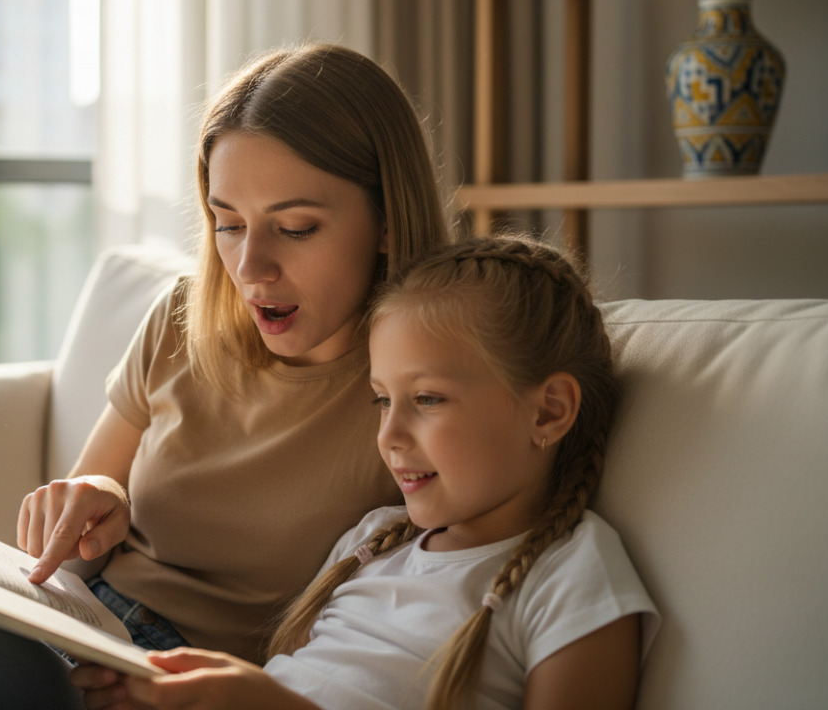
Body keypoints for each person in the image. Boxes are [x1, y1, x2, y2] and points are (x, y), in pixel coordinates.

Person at [0, 43, 451, 709]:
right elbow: (87, 510)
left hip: (179, 687)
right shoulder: (181, 321)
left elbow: (429, 621)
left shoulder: (428, 392)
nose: (250, 268)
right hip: (81, 629)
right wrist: (97, 497)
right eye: (227, 223)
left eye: (295, 228)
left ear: (388, 219)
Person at [71, 236, 660, 710]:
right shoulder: (372, 542)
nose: (389, 435)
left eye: (427, 399)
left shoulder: (573, 578)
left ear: (549, 411)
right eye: (382, 400)